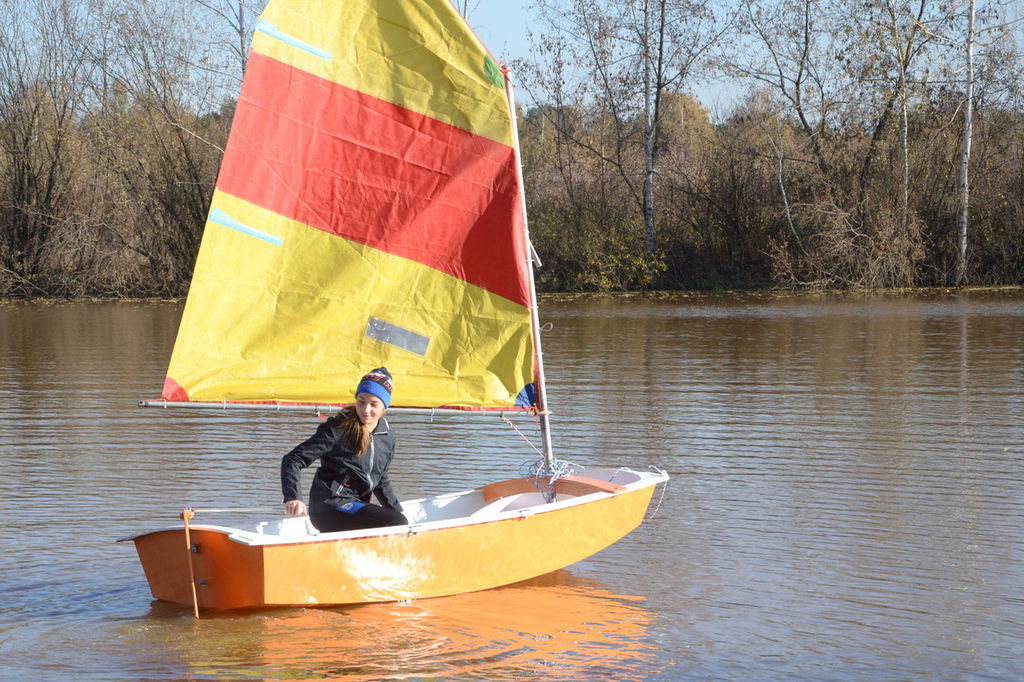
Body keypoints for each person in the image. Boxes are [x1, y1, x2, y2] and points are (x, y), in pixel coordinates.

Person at [281, 367, 408, 532]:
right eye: (361, 401)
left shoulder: (387, 436)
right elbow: (293, 459)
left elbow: (380, 480)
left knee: (399, 520)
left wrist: (397, 510)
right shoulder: (338, 429)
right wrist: (293, 497)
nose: (365, 410)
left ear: (384, 406)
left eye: (373, 404)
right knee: (397, 522)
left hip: (356, 506)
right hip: (329, 506)